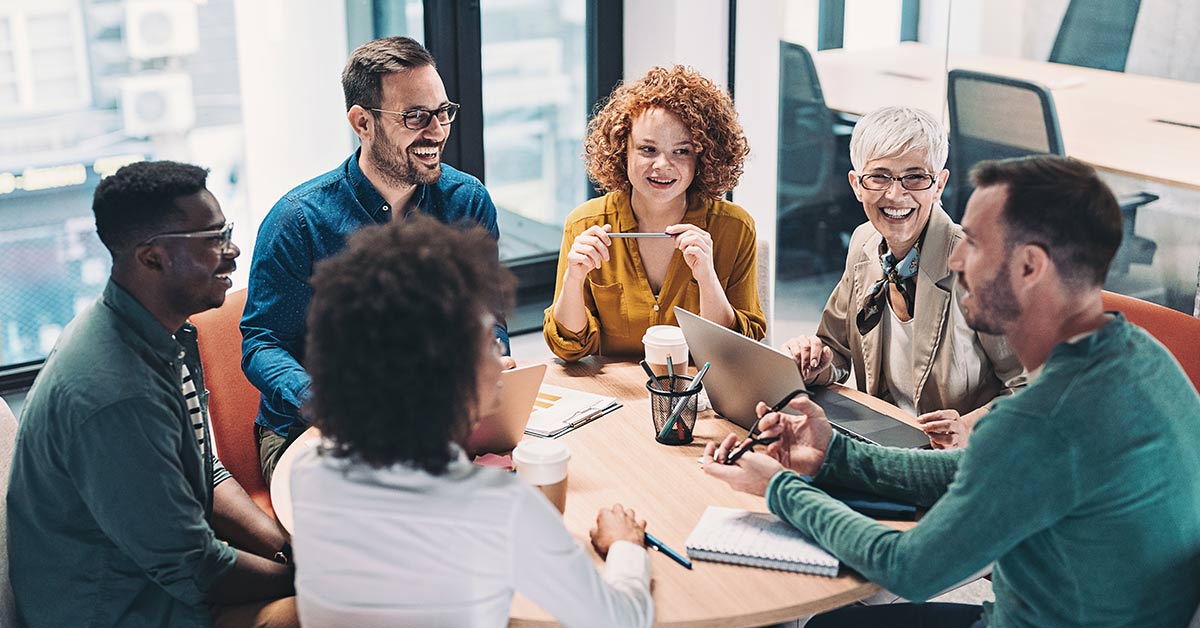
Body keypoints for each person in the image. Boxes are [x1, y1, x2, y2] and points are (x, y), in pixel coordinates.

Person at [704, 155, 1200, 627]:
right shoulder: (1142, 356)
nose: (956, 258)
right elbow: (979, 466)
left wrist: (778, 487)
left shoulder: (1041, 419)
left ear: (1030, 267)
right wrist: (833, 455)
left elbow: (907, 568)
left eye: (976, 243)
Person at [289, 215, 654, 627]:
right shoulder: (498, 506)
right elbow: (621, 620)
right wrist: (625, 547)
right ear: (441, 368)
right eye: (486, 340)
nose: (502, 358)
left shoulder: (309, 471)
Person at [6, 161, 298, 628]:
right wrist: (308, 579)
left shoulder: (159, 332)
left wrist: (284, 547)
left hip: (163, 584)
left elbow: (203, 469)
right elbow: (196, 569)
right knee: (352, 609)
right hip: (123, 611)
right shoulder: (115, 393)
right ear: (152, 257)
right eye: (213, 239)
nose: (234, 250)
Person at [241, 36, 512, 485]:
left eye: (443, 112)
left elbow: (489, 315)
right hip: (310, 430)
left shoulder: (467, 201)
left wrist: (492, 354)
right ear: (362, 122)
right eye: (416, 117)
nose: (438, 131)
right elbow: (261, 343)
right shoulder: (299, 221)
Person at [780, 106, 1024, 449]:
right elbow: (835, 351)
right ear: (856, 185)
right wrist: (811, 362)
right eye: (879, 176)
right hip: (881, 443)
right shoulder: (864, 243)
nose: (896, 195)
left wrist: (971, 428)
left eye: (915, 177)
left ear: (939, 184)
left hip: (957, 462)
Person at [544, 65, 765, 361]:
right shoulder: (585, 224)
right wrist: (574, 278)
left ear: (703, 156)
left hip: (699, 398)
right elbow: (569, 347)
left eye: (682, 151)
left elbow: (738, 351)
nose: (662, 165)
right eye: (648, 149)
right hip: (616, 398)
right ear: (623, 150)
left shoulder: (735, 228)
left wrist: (706, 277)